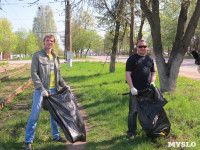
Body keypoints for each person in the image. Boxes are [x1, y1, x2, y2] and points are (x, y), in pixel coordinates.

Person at [25, 34, 69, 150]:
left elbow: (58, 76)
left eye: (51, 41)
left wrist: (64, 85)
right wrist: (41, 88)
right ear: (44, 42)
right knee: (34, 116)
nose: (49, 42)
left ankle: (56, 136)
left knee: (54, 116)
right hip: (41, 91)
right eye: (47, 40)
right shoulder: (37, 56)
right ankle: (28, 141)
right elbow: (34, 74)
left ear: (53, 43)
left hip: (54, 90)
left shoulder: (55, 57)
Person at [125, 40, 156, 139]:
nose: (143, 48)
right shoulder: (132, 59)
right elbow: (127, 74)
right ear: (136, 47)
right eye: (140, 46)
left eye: (144, 46)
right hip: (135, 91)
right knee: (133, 112)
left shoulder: (150, 59)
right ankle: (131, 132)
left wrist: (152, 82)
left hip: (147, 90)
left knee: (147, 111)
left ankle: (146, 130)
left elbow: (153, 73)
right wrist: (132, 88)